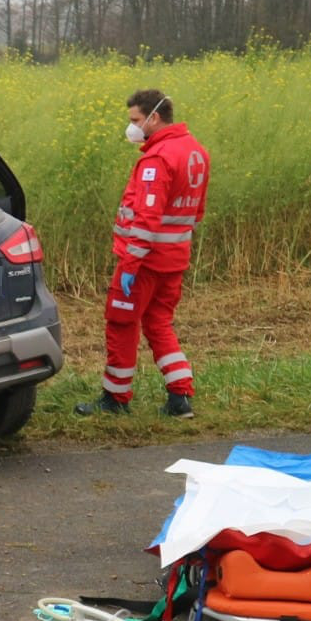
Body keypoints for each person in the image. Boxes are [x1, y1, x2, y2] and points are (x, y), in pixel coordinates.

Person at [77, 89, 210, 419]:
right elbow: (196, 213)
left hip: (144, 262)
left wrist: (130, 266)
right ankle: (180, 398)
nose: (132, 128)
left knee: (121, 323)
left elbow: (147, 218)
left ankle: (115, 398)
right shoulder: (196, 152)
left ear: (155, 117)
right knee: (159, 323)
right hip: (174, 259)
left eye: (135, 120)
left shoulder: (157, 158)